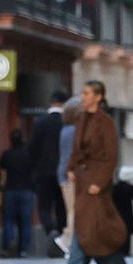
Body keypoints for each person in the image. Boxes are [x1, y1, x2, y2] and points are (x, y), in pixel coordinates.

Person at [65, 80, 132, 264]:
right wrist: (70, 167)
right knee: (89, 228)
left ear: (98, 96)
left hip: (96, 183)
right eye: (82, 93)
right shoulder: (81, 119)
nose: (83, 97)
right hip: (82, 181)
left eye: (86, 93)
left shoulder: (106, 122)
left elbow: (111, 156)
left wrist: (100, 182)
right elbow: (76, 149)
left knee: (93, 228)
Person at [25, 90, 68, 252]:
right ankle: (62, 233)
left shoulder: (40, 122)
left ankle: (51, 230)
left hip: (43, 171)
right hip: (62, 171)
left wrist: (33, 168)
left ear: (51, 102)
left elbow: (32, 148)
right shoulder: (67, 122)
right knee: (61, 205)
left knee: (44, 205)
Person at [0, 129, 35, 257]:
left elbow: (3, 175)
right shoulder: (29, 154)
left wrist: (1, 188)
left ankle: (9, 241)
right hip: (26, 190)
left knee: (7, 219)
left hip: (10, 190)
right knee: (25, 222)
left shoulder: (6, 155)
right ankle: (23, 249)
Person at [54, 97, 83, 252]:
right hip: (71, 175)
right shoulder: (74, 131)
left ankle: (70, 240)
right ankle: (67, 240)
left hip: (64, 174)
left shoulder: (66, 129)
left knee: (72, 208)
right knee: (74, 209)